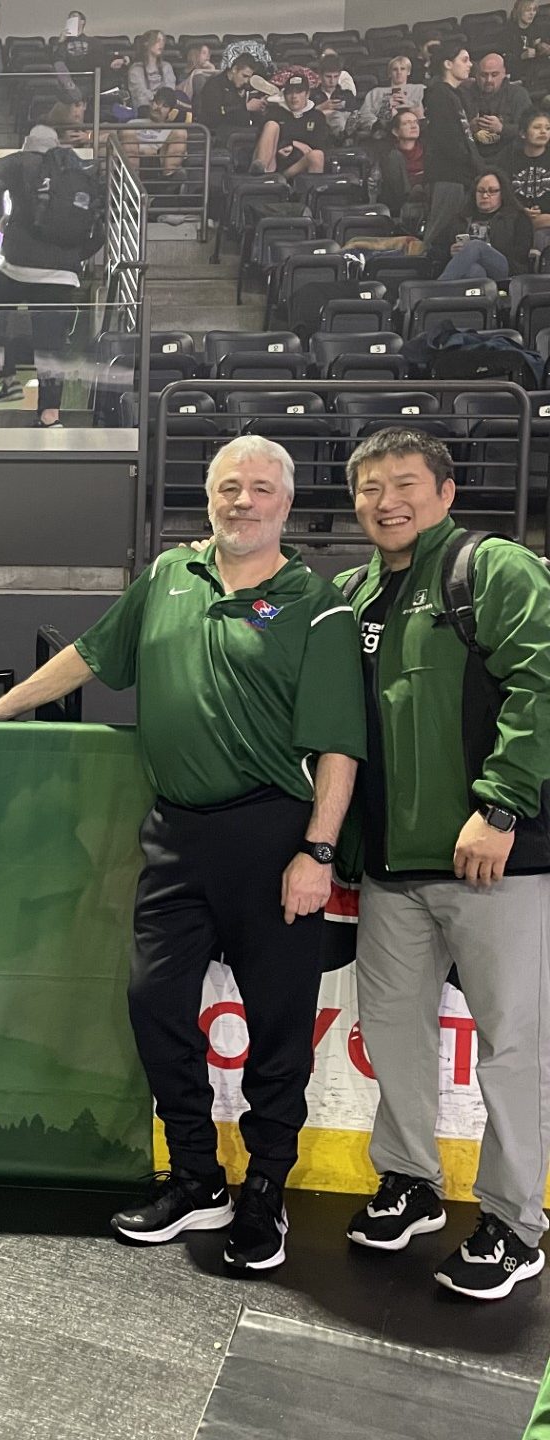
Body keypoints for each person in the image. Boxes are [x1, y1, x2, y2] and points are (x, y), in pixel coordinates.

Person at [0, 434, 365, 1273]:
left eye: (257, 489)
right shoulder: (167, 578)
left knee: (279, 1027)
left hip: (274, 836)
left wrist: (317, 849)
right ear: (207, 498)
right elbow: (89, 657)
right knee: (154, 1003)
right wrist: (1, 709)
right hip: (175, 834)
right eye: (225, 488)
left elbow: (338, 749)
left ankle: (265, 1192)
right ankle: (197, 1179)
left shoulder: (315, 605)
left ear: (286, 504)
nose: (240, 502)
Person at [337, 427, 550, 1300]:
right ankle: (410, 1184)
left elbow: (543, 682)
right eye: (370, 488)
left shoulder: (492, 569)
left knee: (512, 1045)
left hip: (495, 858)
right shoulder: (350, 593)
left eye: (406, 483)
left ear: (447, 490)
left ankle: (512, 1222)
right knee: (392, 1033)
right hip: (392, 868)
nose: (388, 501)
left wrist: (499, 805)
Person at [0, 105, 99, 427]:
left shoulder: (24, 161)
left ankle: (6, 378)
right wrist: (77, 255)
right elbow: (100, 226)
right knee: (51, 345)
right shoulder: (79, 171)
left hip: (20, 265)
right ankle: (50, 415)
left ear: (27, 144)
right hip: (64, 275)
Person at [422, 46, 480, 262]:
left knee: (453, 235)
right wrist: (477, 166)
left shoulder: (455, 94)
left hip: (459, 175)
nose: (470, 64)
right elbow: (450, 140)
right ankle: (423, 275)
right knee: (438, 233)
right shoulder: (439, 94)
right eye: (464, 60)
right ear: (448, 63)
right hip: (447, 176)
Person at [438, 168, 534, 279]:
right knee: (474, 271)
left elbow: (521, 254)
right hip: (472, 270)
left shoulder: (518, 218)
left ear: (502, 193)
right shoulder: (461, 218)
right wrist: (449, 251)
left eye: (492, 191)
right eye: (481, 191)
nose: (485, 196)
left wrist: (487, 250)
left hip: (506, 268)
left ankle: (440, 287)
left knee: (476, 245)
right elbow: (436, 249)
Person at [251, 75, 329, 178]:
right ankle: (260, 178)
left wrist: (293, 146)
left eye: (298, 92)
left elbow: (319, 146)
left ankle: (313, 192)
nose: (294, 96)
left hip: (299, 165)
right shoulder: (275, 113)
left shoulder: (317, 117)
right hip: (275, 167)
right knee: (271, 125)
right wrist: (290, 144)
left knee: (316, 156)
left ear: (307, 94)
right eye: (290, 92)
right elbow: (261, 141)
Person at [469, 53, 532, 169]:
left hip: (509, 159)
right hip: (473, 161)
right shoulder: (465, 94)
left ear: (504, 74)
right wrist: (469, 128)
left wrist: (502, 129)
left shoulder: (518, 95)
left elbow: (529, 130)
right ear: (476, 75)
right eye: (484, 75)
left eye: (494, 74)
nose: (489, 80)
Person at [198, 57, 270, 142]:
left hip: (241, 129)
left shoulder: (245, 88)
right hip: (218, 132)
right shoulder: (214, 85)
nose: (246, 81)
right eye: (244, 76)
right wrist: (245, 107)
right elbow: (213, 116)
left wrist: (261, 108)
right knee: (263, 134)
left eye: (249, 77)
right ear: (234, 69)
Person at [377, 108, 429, 226]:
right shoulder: (389, 155)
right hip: (399, 202)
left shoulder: (428, 151)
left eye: (416, 122)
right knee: (395, 157)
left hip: (426, 197)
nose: (413, 126)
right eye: (407, 123)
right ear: (395, 131)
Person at [353, 56, 425, 140]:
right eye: (395, 69)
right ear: (389, 73)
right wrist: (384, 112)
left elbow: (427, 114)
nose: (399, 72)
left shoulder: (420, 89)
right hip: (382, 132)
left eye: (402, 69)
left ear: (408, 71)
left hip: (415, 131)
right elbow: (364, 115)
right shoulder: (375, 92)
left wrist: (408, 104)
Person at [510, 109, 550, 237]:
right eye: (537, 127)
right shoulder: (509, 159)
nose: (543, 131)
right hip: (516, 222)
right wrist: (521, 212)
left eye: (548, 128)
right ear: (523, 133)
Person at [501, 0, 550, 95]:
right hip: (517, 69)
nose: (532, 13)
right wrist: (521, 56)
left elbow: (538, 43)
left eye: (534, 10)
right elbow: (505, 57)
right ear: (519, 12)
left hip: (537, 67)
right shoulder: (509, 31)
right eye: (528, 10)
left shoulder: (537, 27)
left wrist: (543, 48)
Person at [127, 29, 176, 111]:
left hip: (166, 108)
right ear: (146, 44)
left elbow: (170, 91)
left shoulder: (167, 67)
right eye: (157, 40)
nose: (161, 44)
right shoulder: (136, 69)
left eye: (163, 41)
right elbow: (140, 95)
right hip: (144, 109)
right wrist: (157, 101)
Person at [313, 52, 357, 140]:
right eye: (328, 76)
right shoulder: (311, 95)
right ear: (320, 76)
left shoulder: (347, 95)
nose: (332, 81)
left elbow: (354, 115)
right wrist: (320, 108)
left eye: (336, 76)